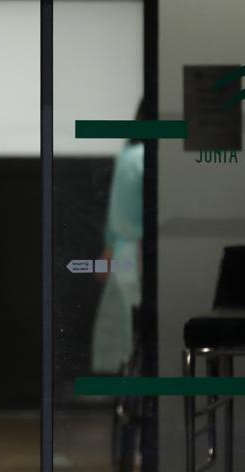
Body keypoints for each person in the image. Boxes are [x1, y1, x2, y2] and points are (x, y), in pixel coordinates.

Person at [90, 107, 145, 374]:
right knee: (136, 336)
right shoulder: (147, 158)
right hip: (140, 252)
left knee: (123, 335)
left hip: (121, 251)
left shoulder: (127, 156)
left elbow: (116, 212)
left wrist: (109, 247)